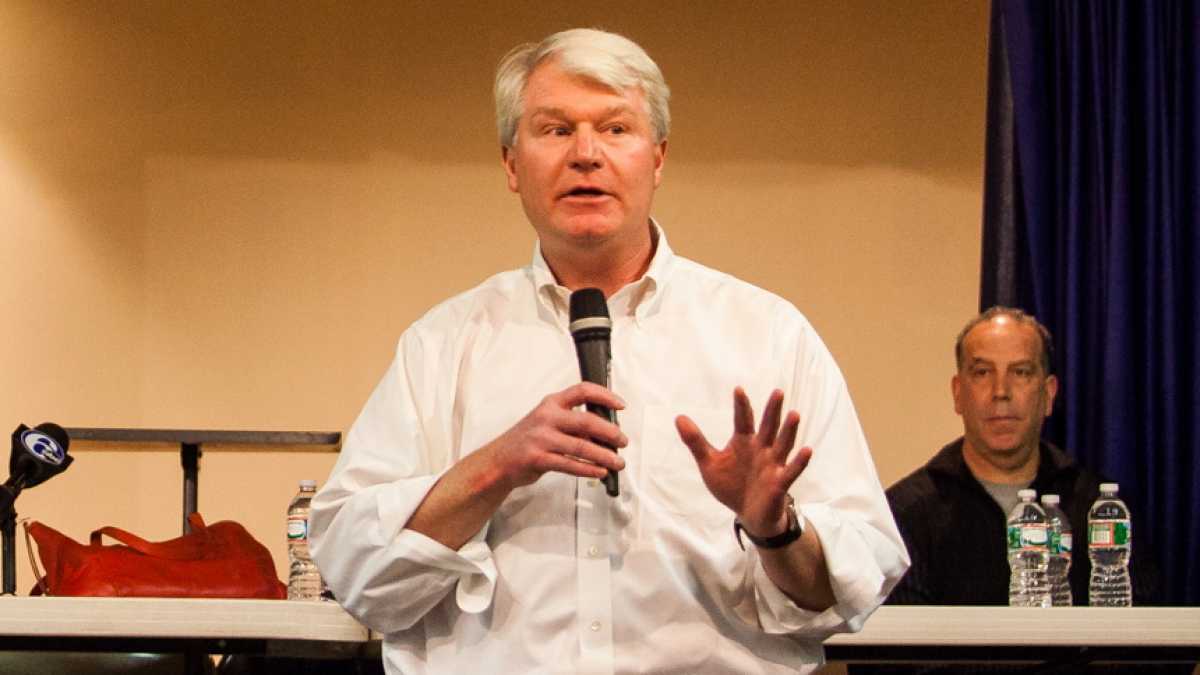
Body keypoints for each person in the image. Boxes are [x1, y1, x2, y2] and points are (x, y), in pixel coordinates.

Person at [309, 27, 908, 675]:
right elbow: (352, 566)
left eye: (616, 129)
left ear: (658, 158)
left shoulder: (766, 335)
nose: (586, 153)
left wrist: (776, 527)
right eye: (555, 129)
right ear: (512, 165)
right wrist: (495, 467)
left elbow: (857, 587)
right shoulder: (444, 343)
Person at [885, 306, 1159, 609]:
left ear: (1048, 394)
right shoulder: (905, 513)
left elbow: (1146, 643)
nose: (1001, 391)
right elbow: (893, 650)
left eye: (1021, 372)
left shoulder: (1098, 508)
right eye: (982, 372)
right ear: (958, 393)